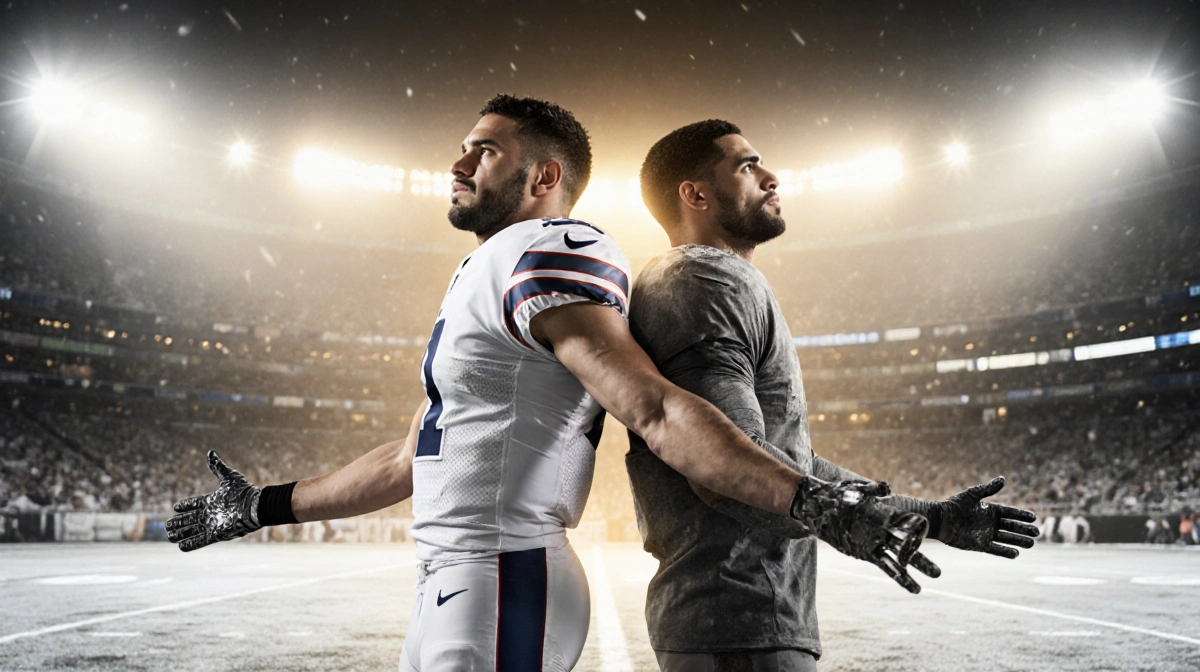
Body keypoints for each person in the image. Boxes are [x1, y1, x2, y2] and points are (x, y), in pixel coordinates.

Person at [164, 97, 936, 672]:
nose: (460, 163)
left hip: (507, 572)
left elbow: (656, 407)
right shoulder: (485, 268)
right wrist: (264, 505)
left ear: (545, 175)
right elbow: (413, 459)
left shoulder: (558, 248)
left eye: (485, 151)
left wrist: (822, 503)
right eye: (463, 149)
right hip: (458, 575)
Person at [627, 119, 1041, 671]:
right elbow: (719, 467)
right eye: (746, 166)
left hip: (738, 619)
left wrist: (930, 516)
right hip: (740, 617)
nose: (771, 177)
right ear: (695, 194)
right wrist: (844, 522)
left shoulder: (702, 279)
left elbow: (784, 462)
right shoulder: (705, 279)